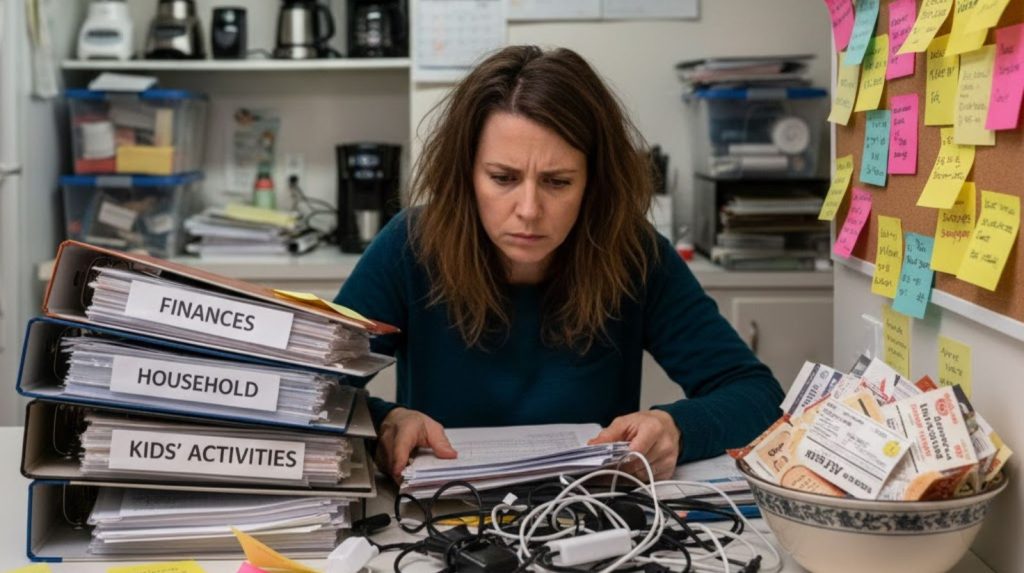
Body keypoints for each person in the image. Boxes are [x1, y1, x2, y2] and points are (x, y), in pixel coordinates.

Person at [335, 45, 784, 483]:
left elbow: (757, 396)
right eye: (503, 178)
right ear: (466, 175)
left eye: (558, 182)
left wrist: (678, 428)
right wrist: (385, 420)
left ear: (593, 183)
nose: (529, 209)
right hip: (439, 519)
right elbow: (310, 390)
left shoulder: (634, 253)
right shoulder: (410, 245)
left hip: (588, 516)